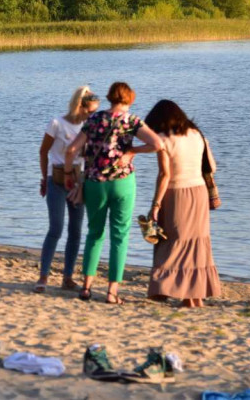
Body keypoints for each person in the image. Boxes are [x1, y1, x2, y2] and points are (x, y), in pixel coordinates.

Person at [65, 82, 164, 304]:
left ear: (109, 98)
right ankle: (112, 292)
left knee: (94, 234)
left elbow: (71, 149)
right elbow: (158, 144)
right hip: (122, 182)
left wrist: (70, 174)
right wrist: (131, 151)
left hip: (94, 183)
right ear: (130, 99)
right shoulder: (132, 121)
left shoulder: (94, 119)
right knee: (120, 236)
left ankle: (86, 288)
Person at [143, 99, 222, 307]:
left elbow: (164, 175)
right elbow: (211, 167)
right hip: (199, 193)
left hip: (176, 194)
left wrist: (155, 205)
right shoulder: (197, 135)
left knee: (172, 241)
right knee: (196, 244)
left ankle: (168, 290)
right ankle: (194, 296)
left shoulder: (163, 139)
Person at [34, 86, 101, 293]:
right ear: (79, 106)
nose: (93, 116)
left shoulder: (90, 127)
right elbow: (44, 151)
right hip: (57, 179)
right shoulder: (57, 123)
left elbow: (91, 157)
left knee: (76, 231)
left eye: (95, 112)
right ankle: (43, 276)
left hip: (79, 180)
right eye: (90, 111)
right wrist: (45, 178)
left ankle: (68, 277)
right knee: (56, 228)